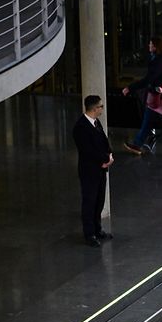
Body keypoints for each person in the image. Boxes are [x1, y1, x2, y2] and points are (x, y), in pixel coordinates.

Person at [72, 95, 114, 248]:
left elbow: (103, 141)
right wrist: (104, 159)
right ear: (94, 108)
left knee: (99, 200)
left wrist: (108, 155)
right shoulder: (81, 127)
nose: (102, 109)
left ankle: (97, 229)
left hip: (100, 169)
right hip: (89, 171)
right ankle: (89, 233)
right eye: (101, 107)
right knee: (89, 202)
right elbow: (87, 151)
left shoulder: (96, 123)